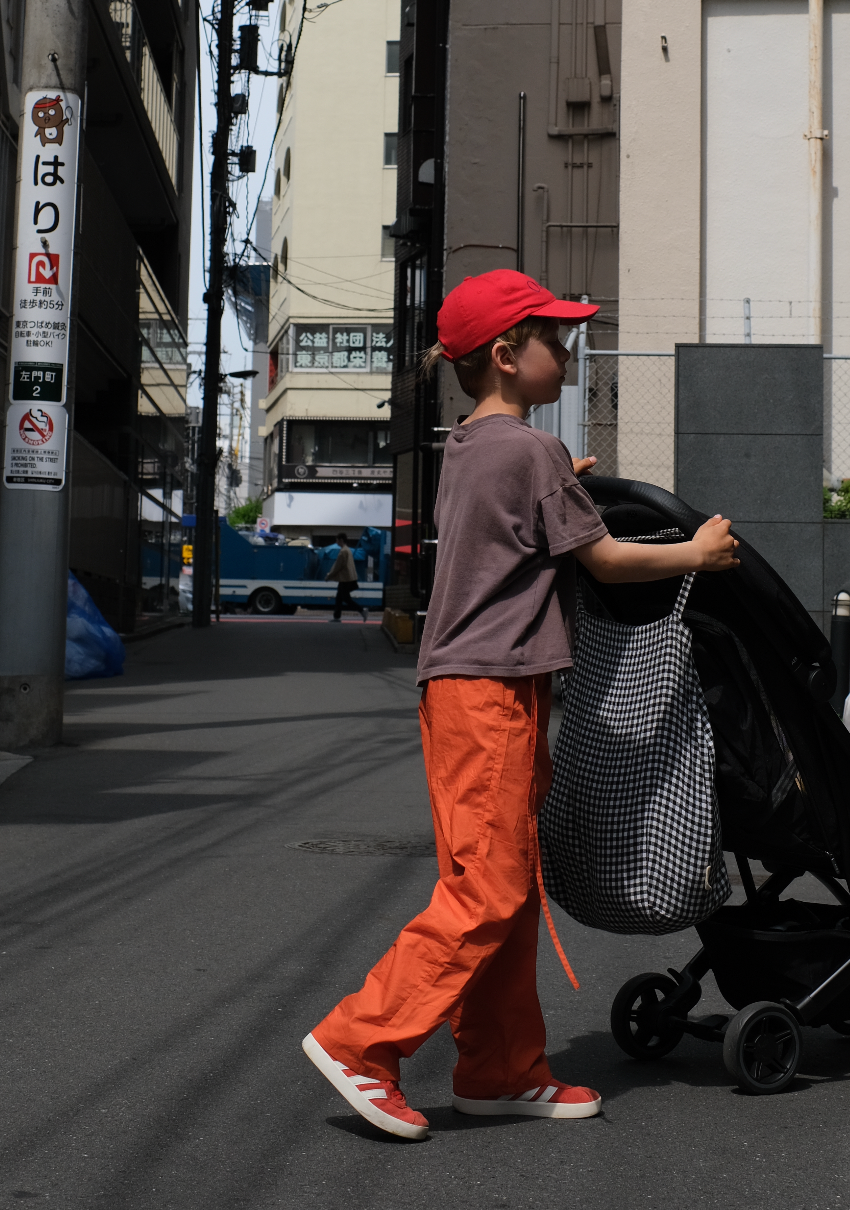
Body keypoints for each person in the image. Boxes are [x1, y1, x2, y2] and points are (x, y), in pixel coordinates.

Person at [302, 269, 740, 1139]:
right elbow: (608, 561)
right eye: (556, 338)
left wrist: (564, 479)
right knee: (490, 891)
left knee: (501, 885)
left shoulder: (474, 448)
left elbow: (514, 522)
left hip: (470, 692)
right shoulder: (532, 455)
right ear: (506, 355)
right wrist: (695, 551)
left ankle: (500, 1070)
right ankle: (361, 1042)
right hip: (494, 695)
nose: (570, 350)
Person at [327, 532, 366, 623]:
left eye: (337, 540)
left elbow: (337, 566)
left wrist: (329, 576)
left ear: (341, 540)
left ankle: (362, 611)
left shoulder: (343, 552)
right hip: (346, 578)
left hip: (345, 579)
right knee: (339, 598)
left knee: (345, 599)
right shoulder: (347, 550)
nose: (336, 542)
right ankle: (336, 617)